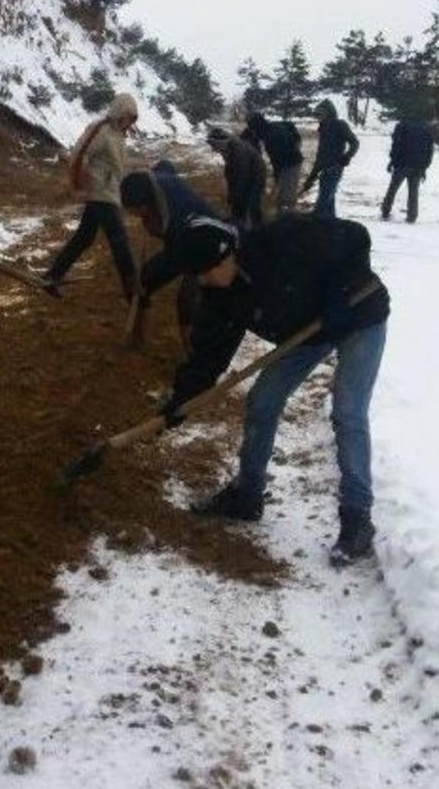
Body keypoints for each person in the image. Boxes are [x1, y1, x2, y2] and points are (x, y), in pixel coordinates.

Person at [158, 212, 390, 565]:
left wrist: (339, 292)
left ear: (227, 253)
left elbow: (355, 236)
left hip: (357, 314)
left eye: (207, 271)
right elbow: (208, 357)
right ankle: (247, 496)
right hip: (308, 331)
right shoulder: (222, 295)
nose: (204, 281)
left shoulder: (284, 240)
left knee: (348, 411)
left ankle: (357, 519)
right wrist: (181, 401)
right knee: (263, 400)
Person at [44, 93, 139, 300]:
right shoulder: (101, 131)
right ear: (118, 113)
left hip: (109, 192)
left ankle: (52, 275)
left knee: (84, 238)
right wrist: (79, 185)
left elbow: (117, 165)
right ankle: (133, 291)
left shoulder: (119, 135)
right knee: (119, 241)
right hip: (99, 194)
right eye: (127, 117)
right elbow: (78, 155)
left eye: (133, 118)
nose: (129, 122)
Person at [120, 162, 219, 352]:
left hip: (207, 246)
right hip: (180, 243)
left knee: (186, 299)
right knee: (143, 280)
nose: (131, 214)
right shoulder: (153, 182)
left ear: (144, 206)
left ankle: (192, 351)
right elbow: (165, 165)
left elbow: (179, 257)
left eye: (133, 210)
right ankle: (141, 339)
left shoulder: (177, 217)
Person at [301, 99, 359, 218]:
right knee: (328, 204)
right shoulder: (323, 128)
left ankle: (319, 228)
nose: (318, 117)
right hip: (324, 171)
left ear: (329, 113)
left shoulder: (339, 125)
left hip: (334, 169)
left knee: (322, 204)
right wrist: (311, 179)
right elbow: (321, 156)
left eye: (320, 114)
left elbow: (355, 142)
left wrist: (346, 157)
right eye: (317, 115)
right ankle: (331, 225)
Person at [205, 126, 267, 227]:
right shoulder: (226, 147)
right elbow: (230, 173)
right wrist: (231, 196)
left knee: (251, 202)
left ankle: (257, 228)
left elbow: (242, 177)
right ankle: (237, 221)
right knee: (237, 201)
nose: (213, 149)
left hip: (256, 175)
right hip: (244, 172)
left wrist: (236, 197)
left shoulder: (239, 151)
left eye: (214, 146)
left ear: (220, 143)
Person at [244, 112, 303, 214]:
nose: (253, 132)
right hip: (288, 158)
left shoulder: (270, 137)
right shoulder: (271, 126)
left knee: (287, 195)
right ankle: (282, 212)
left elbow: (277, 160)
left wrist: (277, 176)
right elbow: (289, 124)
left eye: (253, 129)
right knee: (282, 192)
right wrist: (296, 141)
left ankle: (288, 219)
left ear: (257, 126)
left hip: (291, 163)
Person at [380, 119, 434, 222]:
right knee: (413, 191)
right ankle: (412, 216)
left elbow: (396, 145)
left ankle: (385, 210)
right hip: (419, 165)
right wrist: (425, 166)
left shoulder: (402, 126)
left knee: (393, 188)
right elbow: (430, 150)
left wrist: (392, 161)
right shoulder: (426, 128)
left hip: (403, 163)